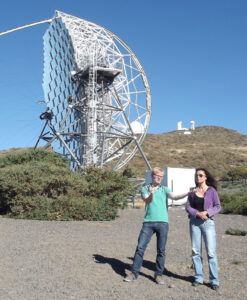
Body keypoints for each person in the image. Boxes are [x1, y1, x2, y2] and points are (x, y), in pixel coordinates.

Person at [124, 167, 191, 285]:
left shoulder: (165, 189)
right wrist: (151, 194)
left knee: (161, 250)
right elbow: (147, 201)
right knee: (140, 248)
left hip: (163, 223)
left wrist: (188, 193)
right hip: (148, 222)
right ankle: (134, 273)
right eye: (157, 175)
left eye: (162, 176)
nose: (160, 178)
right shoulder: (145, 188)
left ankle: (158, 275)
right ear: (152, 176)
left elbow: (174, 197)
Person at [186, 168, 221, 291]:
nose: (198, 177)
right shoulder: (192, 191)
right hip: (195, 223)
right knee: (196, 252)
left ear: (205, 177)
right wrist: (197, 213)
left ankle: (214, 280)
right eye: (197, 175)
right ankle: (199, 277)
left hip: (208, 223)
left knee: (211, 252)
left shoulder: (212, 191)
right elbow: (188, 206)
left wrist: (207, 212)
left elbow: (218, 206)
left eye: (201, 175)